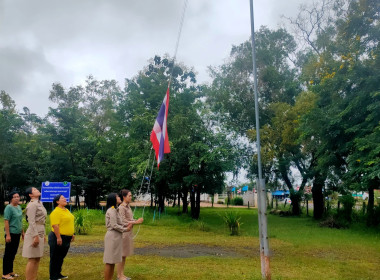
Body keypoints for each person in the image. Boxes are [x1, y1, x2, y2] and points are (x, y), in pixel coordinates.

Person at [103, 193, 132, 280]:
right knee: (109, 261)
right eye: (118, 197)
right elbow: (114, 225)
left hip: (116, 236)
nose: (119, 198)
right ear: (113, 199)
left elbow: (120, 222)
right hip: (112, 237)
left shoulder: (116, 210)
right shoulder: (111, 210)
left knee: (113, 261)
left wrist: (130, 224)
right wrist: (126, 229)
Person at [117, 189, 143, 280]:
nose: (131, 197)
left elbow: (129, 219)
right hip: (123, 233)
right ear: (124, 197)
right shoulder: (121, 207)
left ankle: (122, 274)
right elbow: (122, 221)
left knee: (124, 255)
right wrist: (136, 222)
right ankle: (119, 276)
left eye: (131, 195)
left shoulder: (128, 207)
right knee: (121, 255)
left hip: (128, 233)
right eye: (129, 196)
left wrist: (134, 221)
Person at [22, 187, 47, 280]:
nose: (37, 190)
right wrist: (35, 236)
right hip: (34, 231)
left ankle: (34, 278)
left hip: (40, 229)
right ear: (30, 195)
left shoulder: (39, 203)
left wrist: (43, 235)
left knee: (37, 258)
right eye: (35, 190)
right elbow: (31, 221)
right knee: (32, 259)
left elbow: (42, 220)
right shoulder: (32, 205)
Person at [48, 194, 75, 280]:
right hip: (58, 236)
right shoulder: (56, 212)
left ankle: (58, 273)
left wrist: (72, 234)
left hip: (67, 237)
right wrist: (58, 237)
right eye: (62, 198)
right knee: (55, 257)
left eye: (64, 198)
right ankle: (53, 276)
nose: (65, 199)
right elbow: (55, 226)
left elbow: (68, 222)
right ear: (57, 201)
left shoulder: (66, 210)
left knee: (61, 257)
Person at [3, 191, 24, 280]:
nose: (17, 198)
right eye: (15, 197)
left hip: (17, 233)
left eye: (18, 196)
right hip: (11, 233)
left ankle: (10, 271)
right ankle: (5, 274)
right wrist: (8, 235)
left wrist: (23, 232)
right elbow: (6, 221)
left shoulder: (19, 207)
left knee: (13, 253)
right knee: (8, 253)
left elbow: (20, 220)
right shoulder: (9, 207)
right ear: (11, 198)